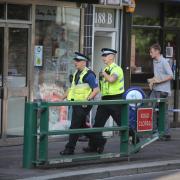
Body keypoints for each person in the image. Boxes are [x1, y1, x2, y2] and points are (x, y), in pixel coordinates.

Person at [83, 48, 125, 153]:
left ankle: (135, 140)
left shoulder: (117, 69)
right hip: (105, 99)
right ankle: (94, 146)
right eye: (103, 56)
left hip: (115, 99)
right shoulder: (106, 69)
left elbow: (111, 79)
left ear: (111, 56)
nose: (103, 58)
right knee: (97, 123)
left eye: (105, 55)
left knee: (121, 123)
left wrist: (103, 74)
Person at [59, 52, 99, 155]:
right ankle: (99, 141)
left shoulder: (89, 74)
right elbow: (71, 89)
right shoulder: (76, 73)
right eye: (75, 61)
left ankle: (69, 149)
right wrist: (61, 98)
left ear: (84, 62)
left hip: (84, 105)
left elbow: (96, 90)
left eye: (77, 61)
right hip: (76, 104)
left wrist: (88, 100)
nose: (75, 62)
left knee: (74, 126)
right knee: (81, 126)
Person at [147, 43, 173, 140]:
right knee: (150, 107)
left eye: (151, 52)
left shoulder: (164, 62)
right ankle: (154, 130)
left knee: (163, 111)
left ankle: (166, 133)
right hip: (156, 89)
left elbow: (171, 76)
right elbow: (157, 76)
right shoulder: (154, 61)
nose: (150, 54)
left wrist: (158, 80)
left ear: (157, 52)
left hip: (163, 91)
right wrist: (152, 81)